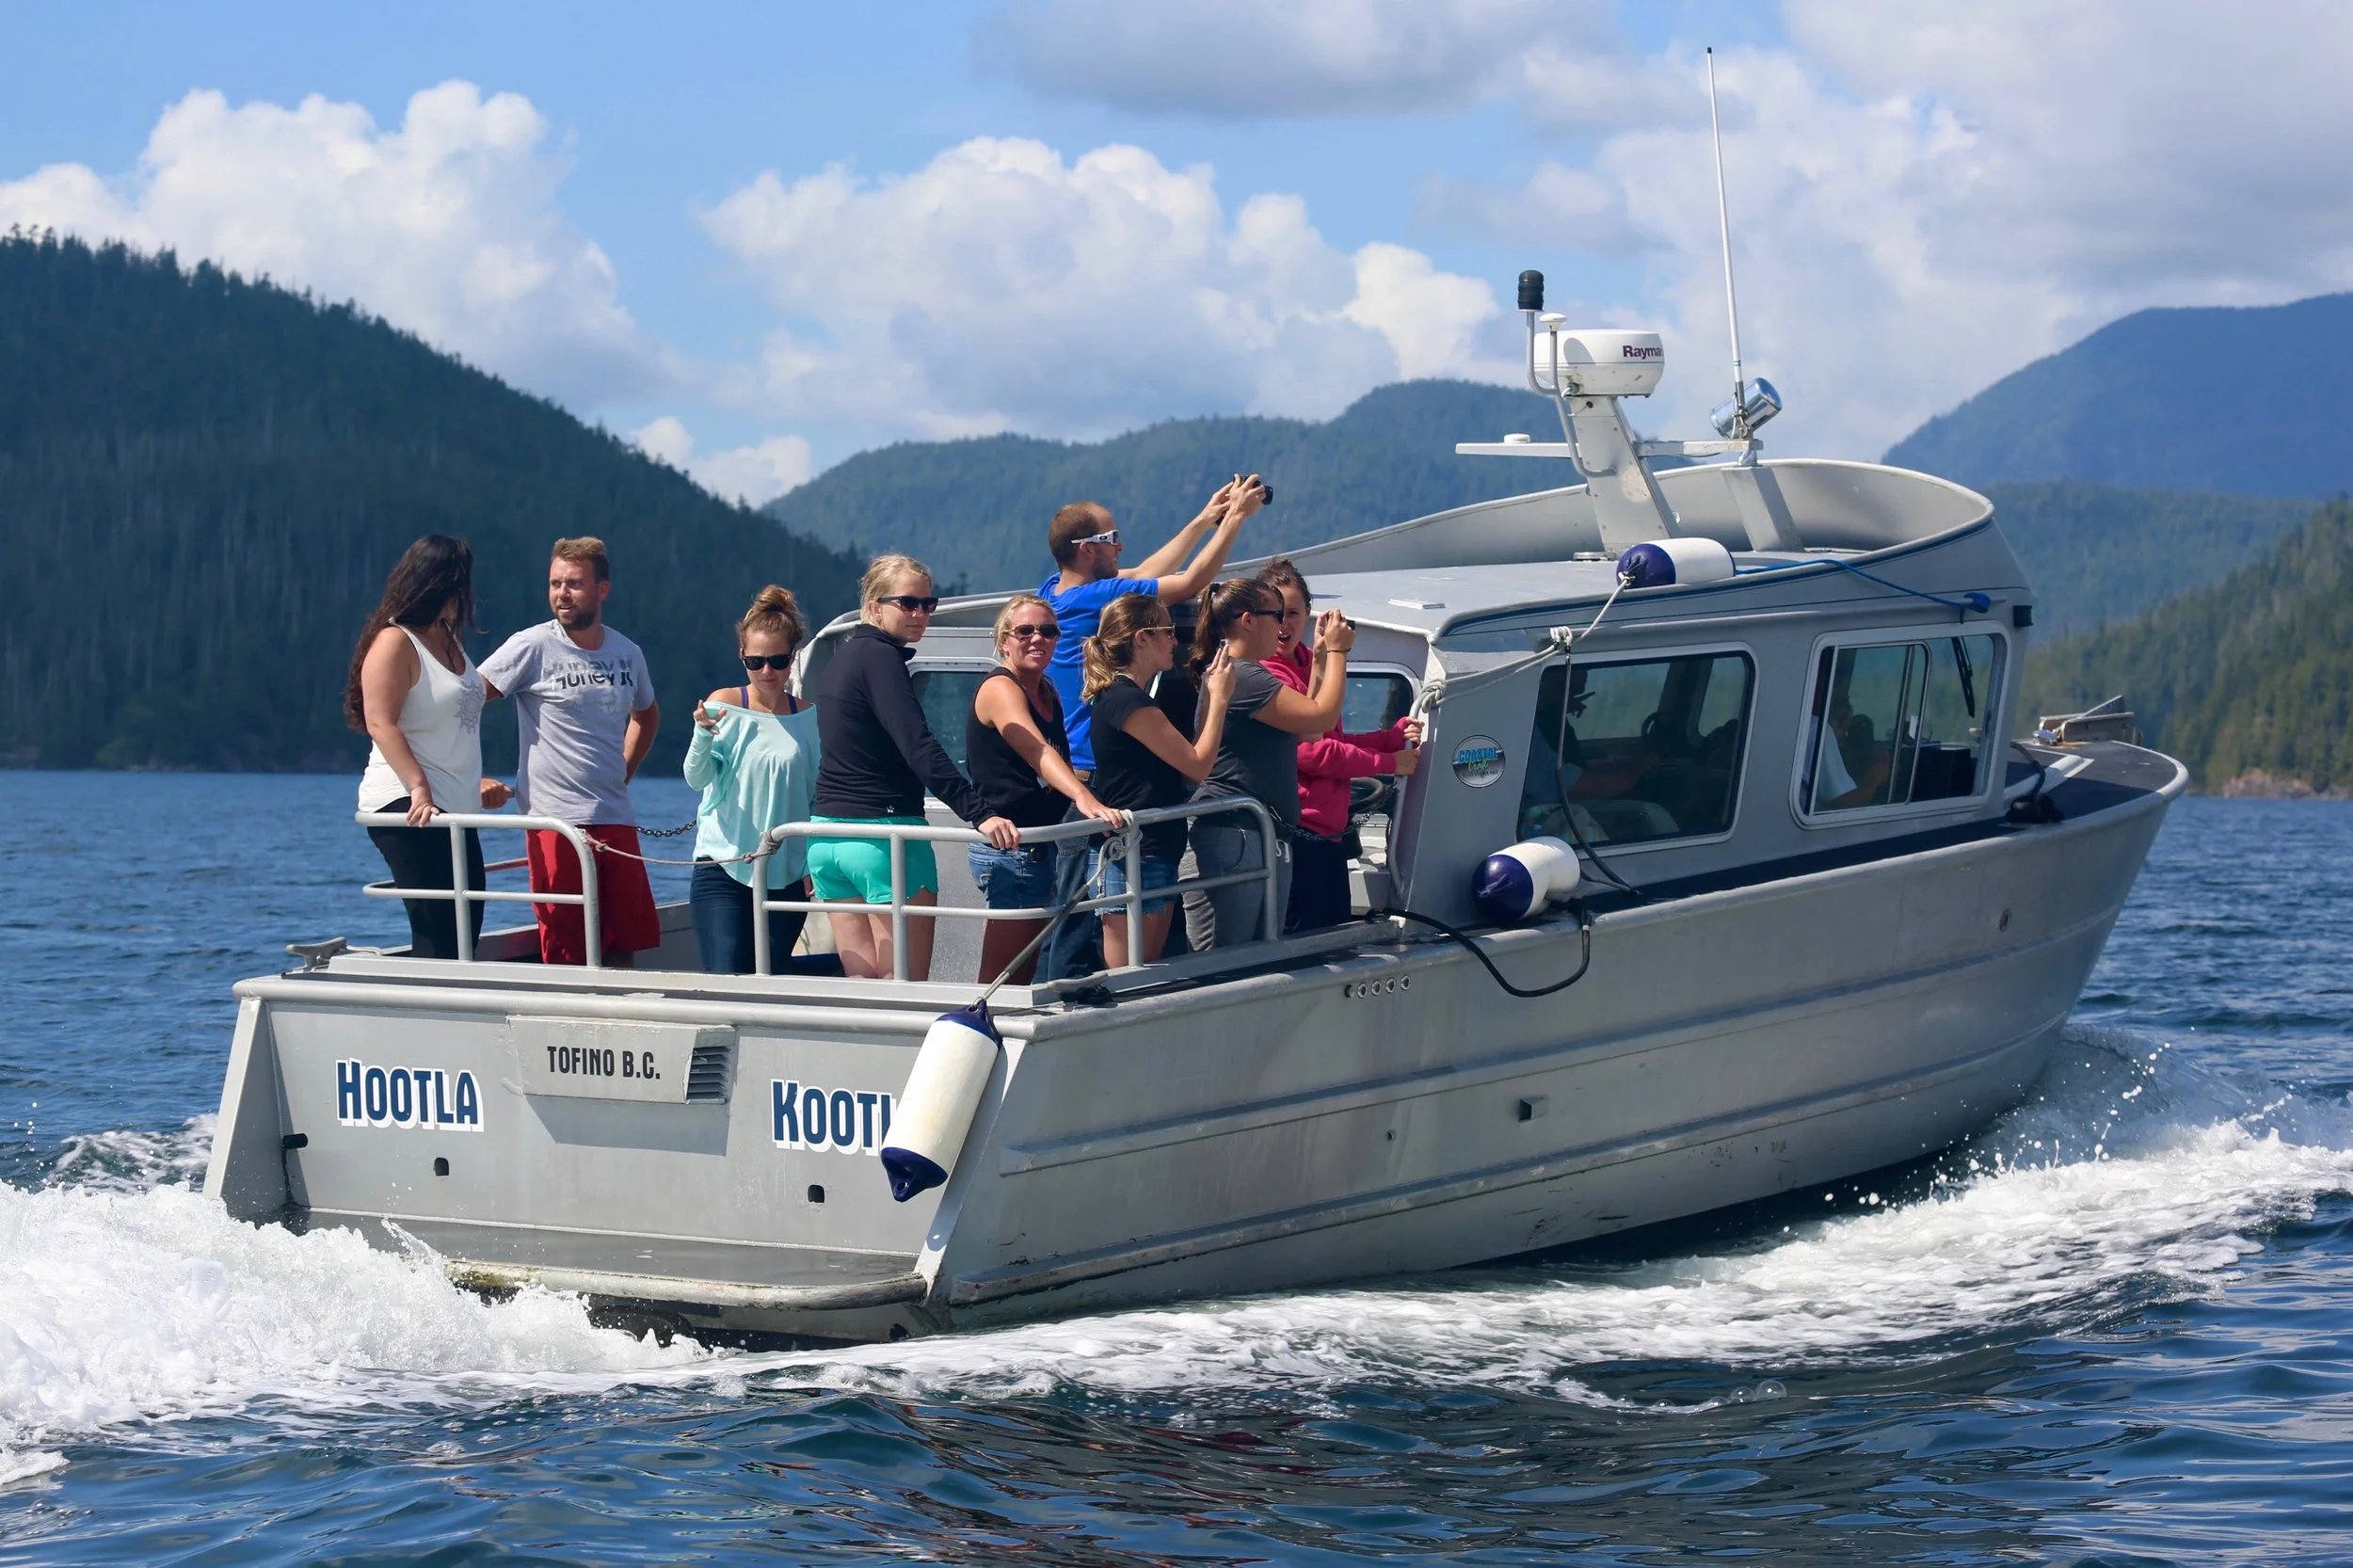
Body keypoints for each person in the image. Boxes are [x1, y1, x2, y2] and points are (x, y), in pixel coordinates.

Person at [1034, 475, 1265, 979]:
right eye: (1112, 538)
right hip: (1096, 782)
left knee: (1091, 915)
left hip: (1089, 777)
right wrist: (1235, 520)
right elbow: (1188, 584)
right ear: (1088, 550)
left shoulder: (1057, 592)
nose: (1121, 546)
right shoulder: (1089, 606)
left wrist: (1205, 518)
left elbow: (1145, 572)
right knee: (1085, 925)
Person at [808, 554, 1017, 981]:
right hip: (884, 841)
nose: (921, 614)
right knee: (904, 987)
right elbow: (918, 745)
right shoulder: (881, 659)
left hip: (826, 838)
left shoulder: (841, 661)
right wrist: (980, 812)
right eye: (907, 603)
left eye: (929, 604)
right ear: (873, 606)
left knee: (862, 987)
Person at [478, 536, 663, 968]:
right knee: (566, 949)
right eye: (555, 583)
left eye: (575, 584)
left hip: (615, 819)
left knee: (623, 947)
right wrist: (475, 776)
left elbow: (646, 716)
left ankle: (622, 1025)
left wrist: (623, 772)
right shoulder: (532, 646)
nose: (562, 594)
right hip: (554, 821)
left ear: (602, 590)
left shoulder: (627, 653)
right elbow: (467, 702)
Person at [348, 535, 511, 959]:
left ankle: (456, 1014)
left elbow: (448, 722)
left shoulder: (447, 637)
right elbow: (379, 721)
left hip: (455, 808)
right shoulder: (395, 642)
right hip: (409, 806)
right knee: (439, 931)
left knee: (465, 928)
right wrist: (419, 786)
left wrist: (472, 782)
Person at [966, 594, 1128, 984]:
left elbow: (1061, 761)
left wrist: (1093, 804)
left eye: (1048, 631)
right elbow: (1035, 750)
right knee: (1005, 978)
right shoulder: (1001, 689)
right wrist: (1083, 798)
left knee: (1028, 969)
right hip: (1012, 849)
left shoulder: (1047, 690)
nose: (1037, 638)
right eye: (1024, 631)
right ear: (1004, 640)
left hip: (1041, 846)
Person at [1187, 578, 1355, 949]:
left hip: (1257, 835)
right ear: (1248, 620)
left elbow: (1307, 731)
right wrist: (1342, 653)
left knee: (1258, 960)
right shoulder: (1244, 675)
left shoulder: (1246, 672)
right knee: (1225, 963)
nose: (1283, 626)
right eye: (1276, 615)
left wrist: (1323, 657)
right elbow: (1321, 718)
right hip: (1235, 835)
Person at [1256, 559, 1421, 932]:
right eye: (1276, 614)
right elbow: (1310, 753)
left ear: (1309, 615)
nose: (1285, 624)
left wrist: (1391, 737)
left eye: (1293, 613)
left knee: (1332, 939)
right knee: (1306, 942)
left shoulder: (1305, 663)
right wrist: (1388, 761)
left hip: (1326, 833)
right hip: (1298, 834)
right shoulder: (1266, 675)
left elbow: (1332, 740)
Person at [1080, 596, 1236, 967]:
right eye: (1168, 632)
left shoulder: (1127, 699)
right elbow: (1196, 766)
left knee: (1145, 974)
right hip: (1135, 854)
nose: (1175, 641)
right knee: (1128, 977)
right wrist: (1219, 700)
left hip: (1152, 850)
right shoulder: (1128, 702)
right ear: (1142, 638)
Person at [683, 585, 824, 974]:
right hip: (723, 865)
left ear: (792, 658)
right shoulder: (724, 705)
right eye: (756, 661)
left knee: (770, 979)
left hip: (787, 874)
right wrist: (702, 735)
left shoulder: (810, 718)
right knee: (727, 977)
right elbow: (697, 779)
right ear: (742, 657)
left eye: (778, 661)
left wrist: (813, 866)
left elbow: (816, 799)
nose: (767, 671)